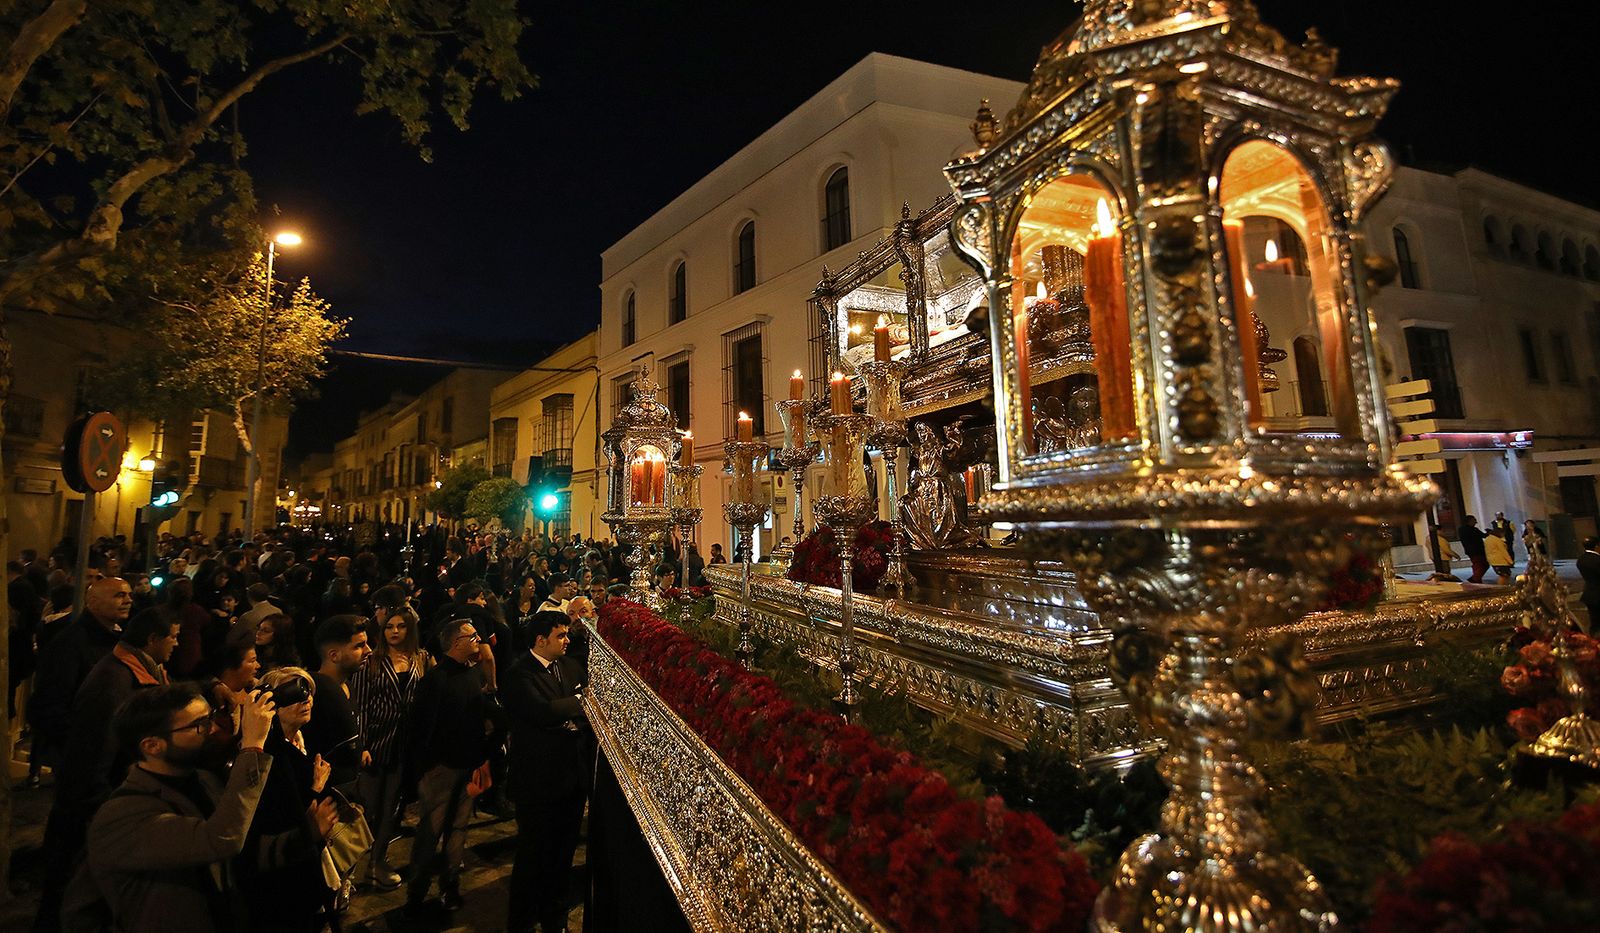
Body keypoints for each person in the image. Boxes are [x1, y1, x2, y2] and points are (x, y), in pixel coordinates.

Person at [70, 685, 334, 932]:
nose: (213, 729)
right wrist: (253, 746)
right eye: (199, 725)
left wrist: (304, 837)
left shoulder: (203, 781)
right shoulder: (124, 814)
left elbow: (243, 855)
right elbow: (221, 840)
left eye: (211, 717)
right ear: (152, 746)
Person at [36, 610, 177, 932]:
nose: (178, 643)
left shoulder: (138, 672)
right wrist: (103, 811)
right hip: (89, 811)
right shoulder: (114, 683)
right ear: (153, 640)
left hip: (99, 806)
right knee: (69, 898)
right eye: (174, 636)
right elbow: (93, 757)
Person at [404, 617, 505, 917]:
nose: (479, 640)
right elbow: (420, 729)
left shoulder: (471, 674)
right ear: (455, 643)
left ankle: (450, 886)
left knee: (459, 830)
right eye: (472, 636)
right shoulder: (435, 681)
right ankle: (416, 894)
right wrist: (426, 769)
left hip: (469, 764)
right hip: (442, 770)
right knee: (430, 832)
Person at [504, 611, 591, 933]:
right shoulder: (518, 674)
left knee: (563, 855)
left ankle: (555, 919)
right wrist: (579, 702)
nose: (567, 640)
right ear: (541, 640)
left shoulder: (569, 667)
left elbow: (569, 713)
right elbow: (542, 712)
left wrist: (568, 712)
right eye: (560, 635)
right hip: (538, 782)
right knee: (533, 856)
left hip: (571, 778)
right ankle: (522, 921)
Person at [239, 667, 338, 933]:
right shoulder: (268, 756)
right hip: (285, 880)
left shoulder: (302, 737)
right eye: (294, 693)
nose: (306, 699)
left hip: (308, 861)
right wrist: (315, 789)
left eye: (307, 691)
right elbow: (274, 816)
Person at [351, 606, 432, 889]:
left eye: (400, 626)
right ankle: (348, 870)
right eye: (389, 627)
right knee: (367, 808)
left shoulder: (420, 659)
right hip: (376, 743)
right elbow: (359, 707)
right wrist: (361, 744)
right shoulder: (371, 662)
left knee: (391, 808)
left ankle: (377, 862)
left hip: (405, 745)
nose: (394, 631)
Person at [30, 577, 132, 788]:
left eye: (129, 595)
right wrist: (77, 744)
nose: (128, 600)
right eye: (119, 595)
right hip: (85, 753)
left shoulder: (115, 639)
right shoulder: (70, 643)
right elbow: (50, 702)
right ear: (93, 602)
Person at [303, 615, 372, 794]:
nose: (368, 650)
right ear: (334, 655)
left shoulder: (347, 684)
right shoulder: (314, 695)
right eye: (359, 646)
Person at [1458, 515, 1489, 584]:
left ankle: (1476, 578)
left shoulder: (1461, 530)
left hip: (1470, 551)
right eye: (1474, 520)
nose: (1476, 522)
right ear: (1470, 521)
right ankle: (1475, 578)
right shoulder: (1473, 530)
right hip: (1477, 551)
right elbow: (1483, 535)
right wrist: (1490, 533)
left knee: (1477, 565)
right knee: (1482, 565)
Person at [1579, 536, 1600, 628]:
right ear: (1596, 546)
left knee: (1594, 621)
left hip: (1589, 593)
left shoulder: (1581, 560)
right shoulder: (1597, 560)